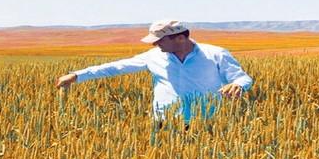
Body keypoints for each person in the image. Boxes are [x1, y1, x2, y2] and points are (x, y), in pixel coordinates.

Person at [55, 19, 253, 123]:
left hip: (207, 123)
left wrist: (237, 85)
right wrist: (78, 75)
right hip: (164, 124)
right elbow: (117, 66)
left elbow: (242, 78)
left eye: (159, 40)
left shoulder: (215, 54)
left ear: (180, 38)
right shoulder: (154, 56)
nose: (155, 45)